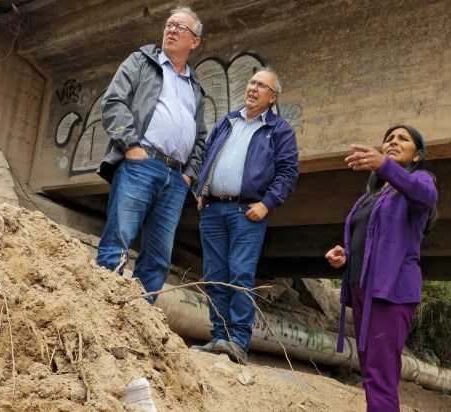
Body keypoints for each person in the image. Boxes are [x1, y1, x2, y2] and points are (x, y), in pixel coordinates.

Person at [95, 7, 207, 303]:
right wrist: (131, 145)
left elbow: (201, 137)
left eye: (180, 28)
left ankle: (138, 324)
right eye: (169, 24)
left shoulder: (195, 89)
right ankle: (102, 312)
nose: (171, 29)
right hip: (140, 165)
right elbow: (113, 102)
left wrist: (188, 175)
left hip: (175, 178)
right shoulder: (141, 62)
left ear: (194, 42)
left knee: (158, 258)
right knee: (118, 241)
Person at [189, 68, 299, 365]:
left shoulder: (279, 130)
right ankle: (218, 337)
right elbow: (206, 154)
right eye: (251, 82)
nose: (252, 88)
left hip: (246, 212)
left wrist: (267, 203)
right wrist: (200, 189)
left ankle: (237, 341)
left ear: (272, 97)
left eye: (261, 85)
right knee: (214, 275)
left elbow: (288, 172)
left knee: (239, 274)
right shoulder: (227, 121)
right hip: (212, 209)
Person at [324, 125, 438, 411]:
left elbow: (425, 196)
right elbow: (373, 240)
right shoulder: (370, 197)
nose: (393, 142)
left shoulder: (420, 181)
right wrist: (345, 255)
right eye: (389, 139)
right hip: (364, 289)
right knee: (371, 372)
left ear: (417, 154)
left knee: (381, 374)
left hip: (393, 292)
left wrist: (385, 165)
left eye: (403, 139)